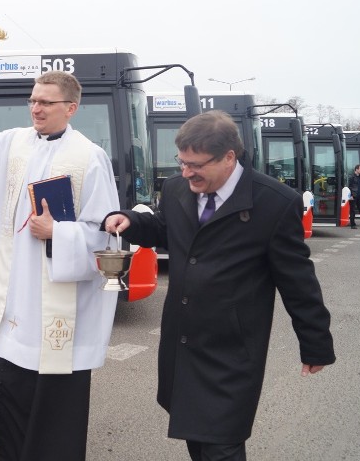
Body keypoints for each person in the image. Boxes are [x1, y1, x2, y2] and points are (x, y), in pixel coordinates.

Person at [102, 110, 336, 461]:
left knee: (221, 443)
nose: (186, 172)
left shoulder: (273, 202)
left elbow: (298, 281)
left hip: (231, 349)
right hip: (183, 341)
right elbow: (165, 228)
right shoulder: (178, 187)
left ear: (229, 158)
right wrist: (131, 221)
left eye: (195, 164)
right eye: (181, 162)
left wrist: (315, 342)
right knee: (198, 437)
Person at [0, 70, 119, 461]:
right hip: (9, 310)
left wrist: (58, 232)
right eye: (33, 100)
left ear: (71, 108)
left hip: (55, 317)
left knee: (52, 427)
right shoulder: (12, 144)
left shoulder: (89, 157)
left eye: (46, 102)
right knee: (4, 410)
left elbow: (106, 235)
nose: (36, 108)